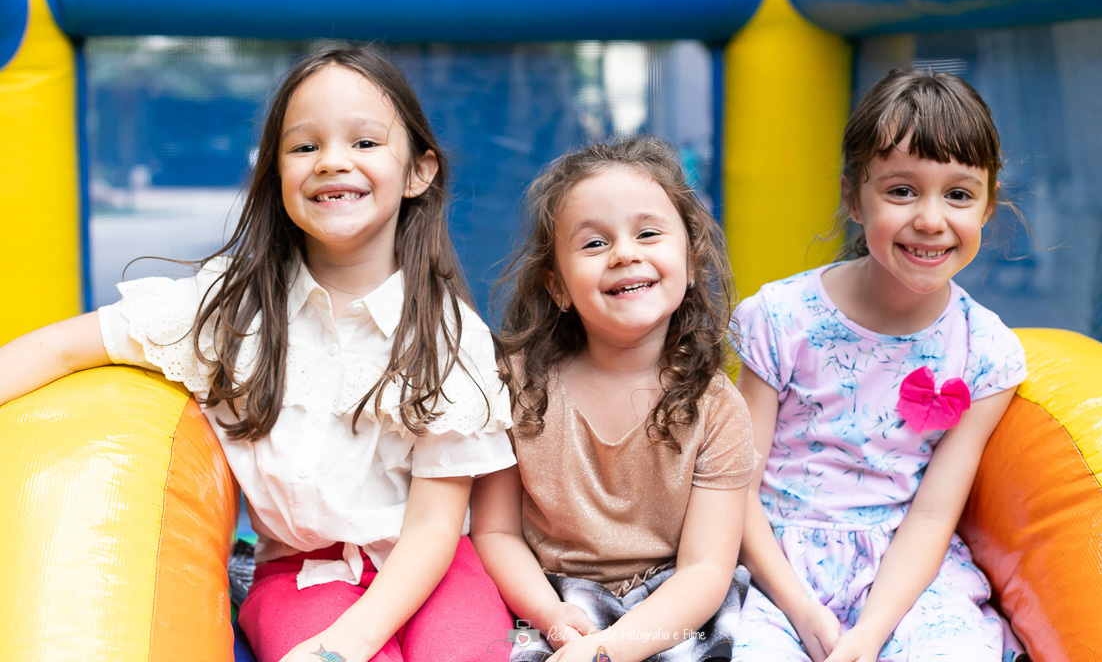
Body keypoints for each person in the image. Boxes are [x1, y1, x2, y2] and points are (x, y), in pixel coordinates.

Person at [0, 44, 515, 662]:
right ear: (276, 174)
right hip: (300, 575)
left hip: (433, 569)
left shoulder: (447, 333)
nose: (331, 161)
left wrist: (354, 638)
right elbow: (62, 348)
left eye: (364, 142)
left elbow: (434, 527)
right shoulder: (231, 312)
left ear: (418, 173)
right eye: (304, 147)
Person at [732, 70, 1029, 662]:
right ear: (853, 198)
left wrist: (870, 632)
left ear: (988, 205)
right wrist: (799, 609)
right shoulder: (781, 318)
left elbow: (933, 514)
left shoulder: (986, 352)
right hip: (773, 567)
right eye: (901, 191)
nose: (931, 219)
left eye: (959, 195)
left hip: (905, 574)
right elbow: (733, 484)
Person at [472, 137, 756, 662]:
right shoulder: (513, 386)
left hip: (673, 607)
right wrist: (551, 616)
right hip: (545, 597)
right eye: (594, 243)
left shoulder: (716, 407)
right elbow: (494, 531)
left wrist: (608, 650)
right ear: (557, 286)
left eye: (648, 233)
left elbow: (705, 570)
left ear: (692, 261)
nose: (625, 253)